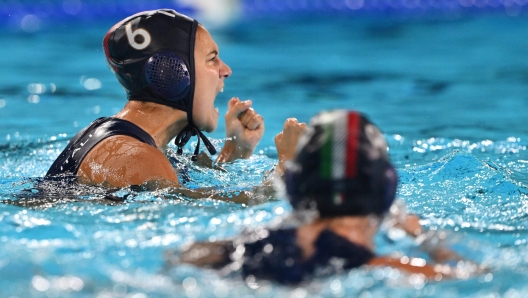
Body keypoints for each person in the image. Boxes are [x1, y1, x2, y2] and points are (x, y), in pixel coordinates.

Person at [174, 110, 483, 284]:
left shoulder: (236, 248)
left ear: (294, 187)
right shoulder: (390, 269)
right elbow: (476, 277)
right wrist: (424, 237)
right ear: (386, 191)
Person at [44, 9, 274, 194]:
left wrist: (234, 153)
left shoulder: (121, 140)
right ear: (170, 72)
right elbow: (199, 217)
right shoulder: (134, 156)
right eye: (212, 59)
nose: (226, 70)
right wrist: (284, 180)